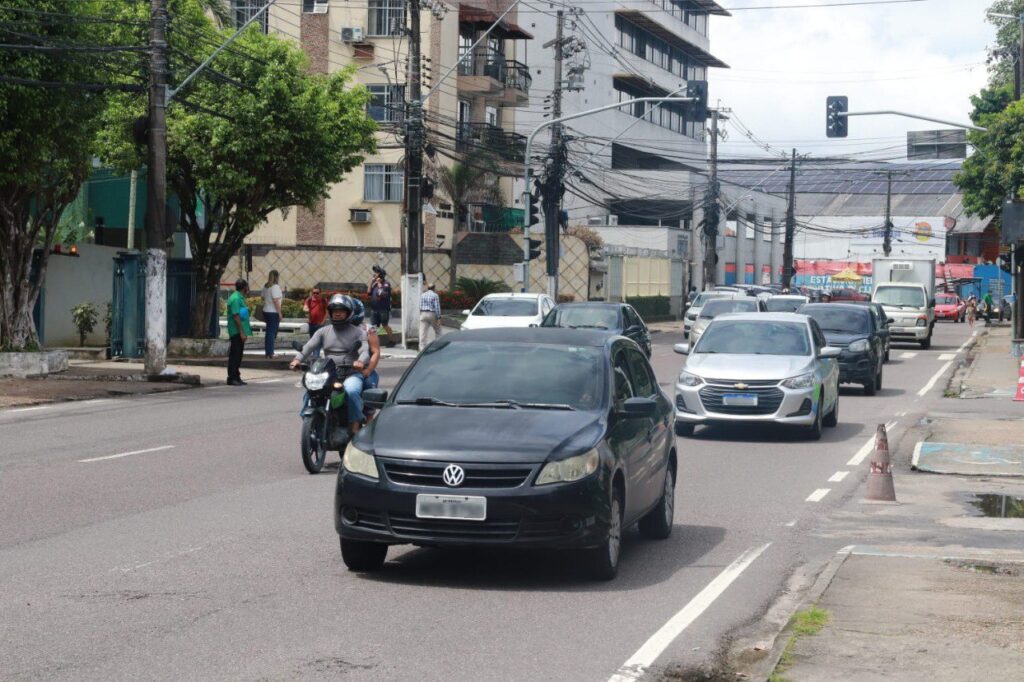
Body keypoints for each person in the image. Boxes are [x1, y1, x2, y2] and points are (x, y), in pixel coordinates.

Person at [290, 295, 370, 434]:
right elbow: (308, 347)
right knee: (311, 391)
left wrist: (360, 362)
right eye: (334, 310)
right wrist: (297, 359)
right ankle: (309, 419)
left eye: (341, 310)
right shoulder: (323, 331)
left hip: (351, 373)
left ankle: (354, 425)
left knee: (351, 392)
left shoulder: (358, 332)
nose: (337, 313)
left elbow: (365, 351)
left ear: (349, 312)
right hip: (329, 373)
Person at [226, 279, 251, 386]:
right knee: (235, 355)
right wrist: (241, 332)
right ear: (244, 287)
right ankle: (232, 377)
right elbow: (236, 316)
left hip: (239, 331)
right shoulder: (235, 299)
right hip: (236, 331)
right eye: (247, 287)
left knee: (238, 354)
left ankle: (236, 376)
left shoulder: (239, 297)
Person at [368, 266, 395, 346]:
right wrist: (371, 282)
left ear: (381, 275)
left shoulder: (386, 284)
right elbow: (369, 292)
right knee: (372, 326)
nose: (374, 274)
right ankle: (372, 342)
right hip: (374, 309)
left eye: (376, 273)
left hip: (383, 309)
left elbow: (381, 295)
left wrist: (379, 284)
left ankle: (392, 341)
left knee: (385, 325)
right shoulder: (375, 284)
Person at [261, 270, 283, 358]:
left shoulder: (266, 287)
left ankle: (268, 352)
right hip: (273, 312)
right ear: (277, 277)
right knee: (271, 333)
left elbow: (262, 297)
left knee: (268, 333)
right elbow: (276, 300)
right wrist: (280, 313)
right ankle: (270, 353)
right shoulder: (275, 287)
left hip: (266, 310)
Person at [419, 282, 442, 348]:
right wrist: (439, 318)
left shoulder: (422, 295)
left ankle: (422, 347)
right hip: (432, 314)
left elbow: (420, 305)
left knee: (423, 331)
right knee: (438, 330)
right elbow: (437, 307)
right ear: (434, 288)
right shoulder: (435, 295)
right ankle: (438, 345)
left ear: (428, 288)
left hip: (423, 313)